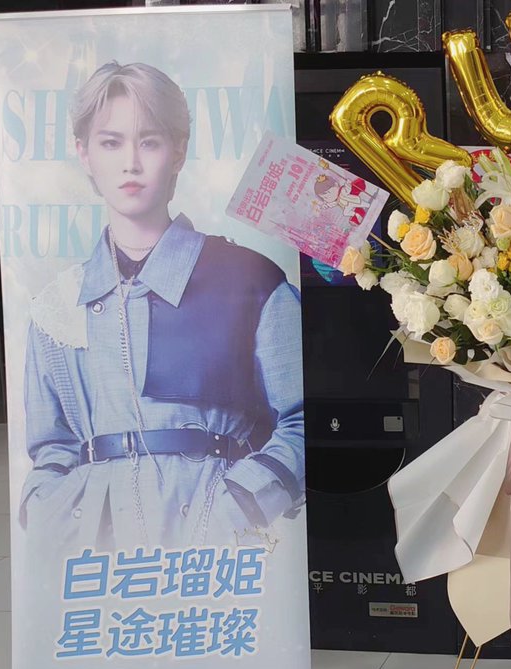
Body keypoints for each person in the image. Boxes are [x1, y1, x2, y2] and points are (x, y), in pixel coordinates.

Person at [21, 61, 305, 553]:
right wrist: (49, 517)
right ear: (84, 153)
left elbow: (302, 421)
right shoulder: (57, 306)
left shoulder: (252, 281)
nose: (130, 163)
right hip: (94, 552)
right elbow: (52, 448)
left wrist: (237, 505)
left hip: (220, 550)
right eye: (111, 142)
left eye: (149, 142)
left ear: (179, 151)